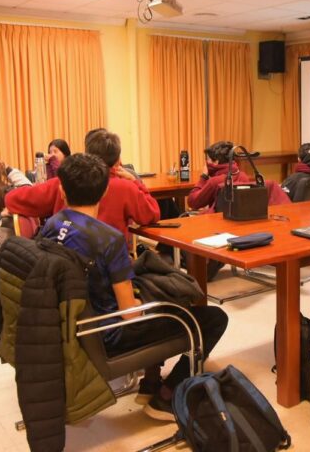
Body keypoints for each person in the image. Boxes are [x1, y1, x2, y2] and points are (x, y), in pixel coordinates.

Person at [39, 153, 228, 420]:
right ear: (104, 191)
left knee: (156, 301)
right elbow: (130, 314)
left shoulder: (52, 225)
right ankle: (167, 397)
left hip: (72, 327)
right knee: (211, 318)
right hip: (108, 334)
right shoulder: (109, 239)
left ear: (61, 189)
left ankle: (150, 384)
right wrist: (148, 302)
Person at [5, 128, 160, 243]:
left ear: (87, 156)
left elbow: (14, 199)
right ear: (118, 160)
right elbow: (151, 215)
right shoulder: (127, 187)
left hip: (66, 262)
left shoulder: (64, 181)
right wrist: (136, 182)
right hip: (109, 266)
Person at [187, 140, 251, 212]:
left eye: (208, 159)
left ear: (216, 162)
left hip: (218, 218)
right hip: (238, 217)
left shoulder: (214, 182)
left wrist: (203, 177)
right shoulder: (244, 176)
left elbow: (192, 202)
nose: (206, 162)